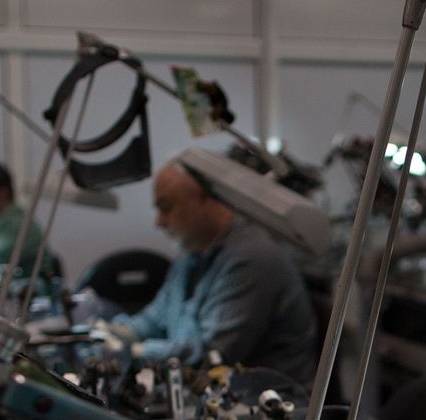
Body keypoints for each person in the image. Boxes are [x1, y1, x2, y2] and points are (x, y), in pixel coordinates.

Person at [111, 157, 320, 386]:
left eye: (166, 207)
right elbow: (155, 318)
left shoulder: (251, 258)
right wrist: (119, 333)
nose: (159, 222)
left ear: (206, 199)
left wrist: (137, 350)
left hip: (262, 407)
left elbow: (212, 353)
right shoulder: (192, 253)